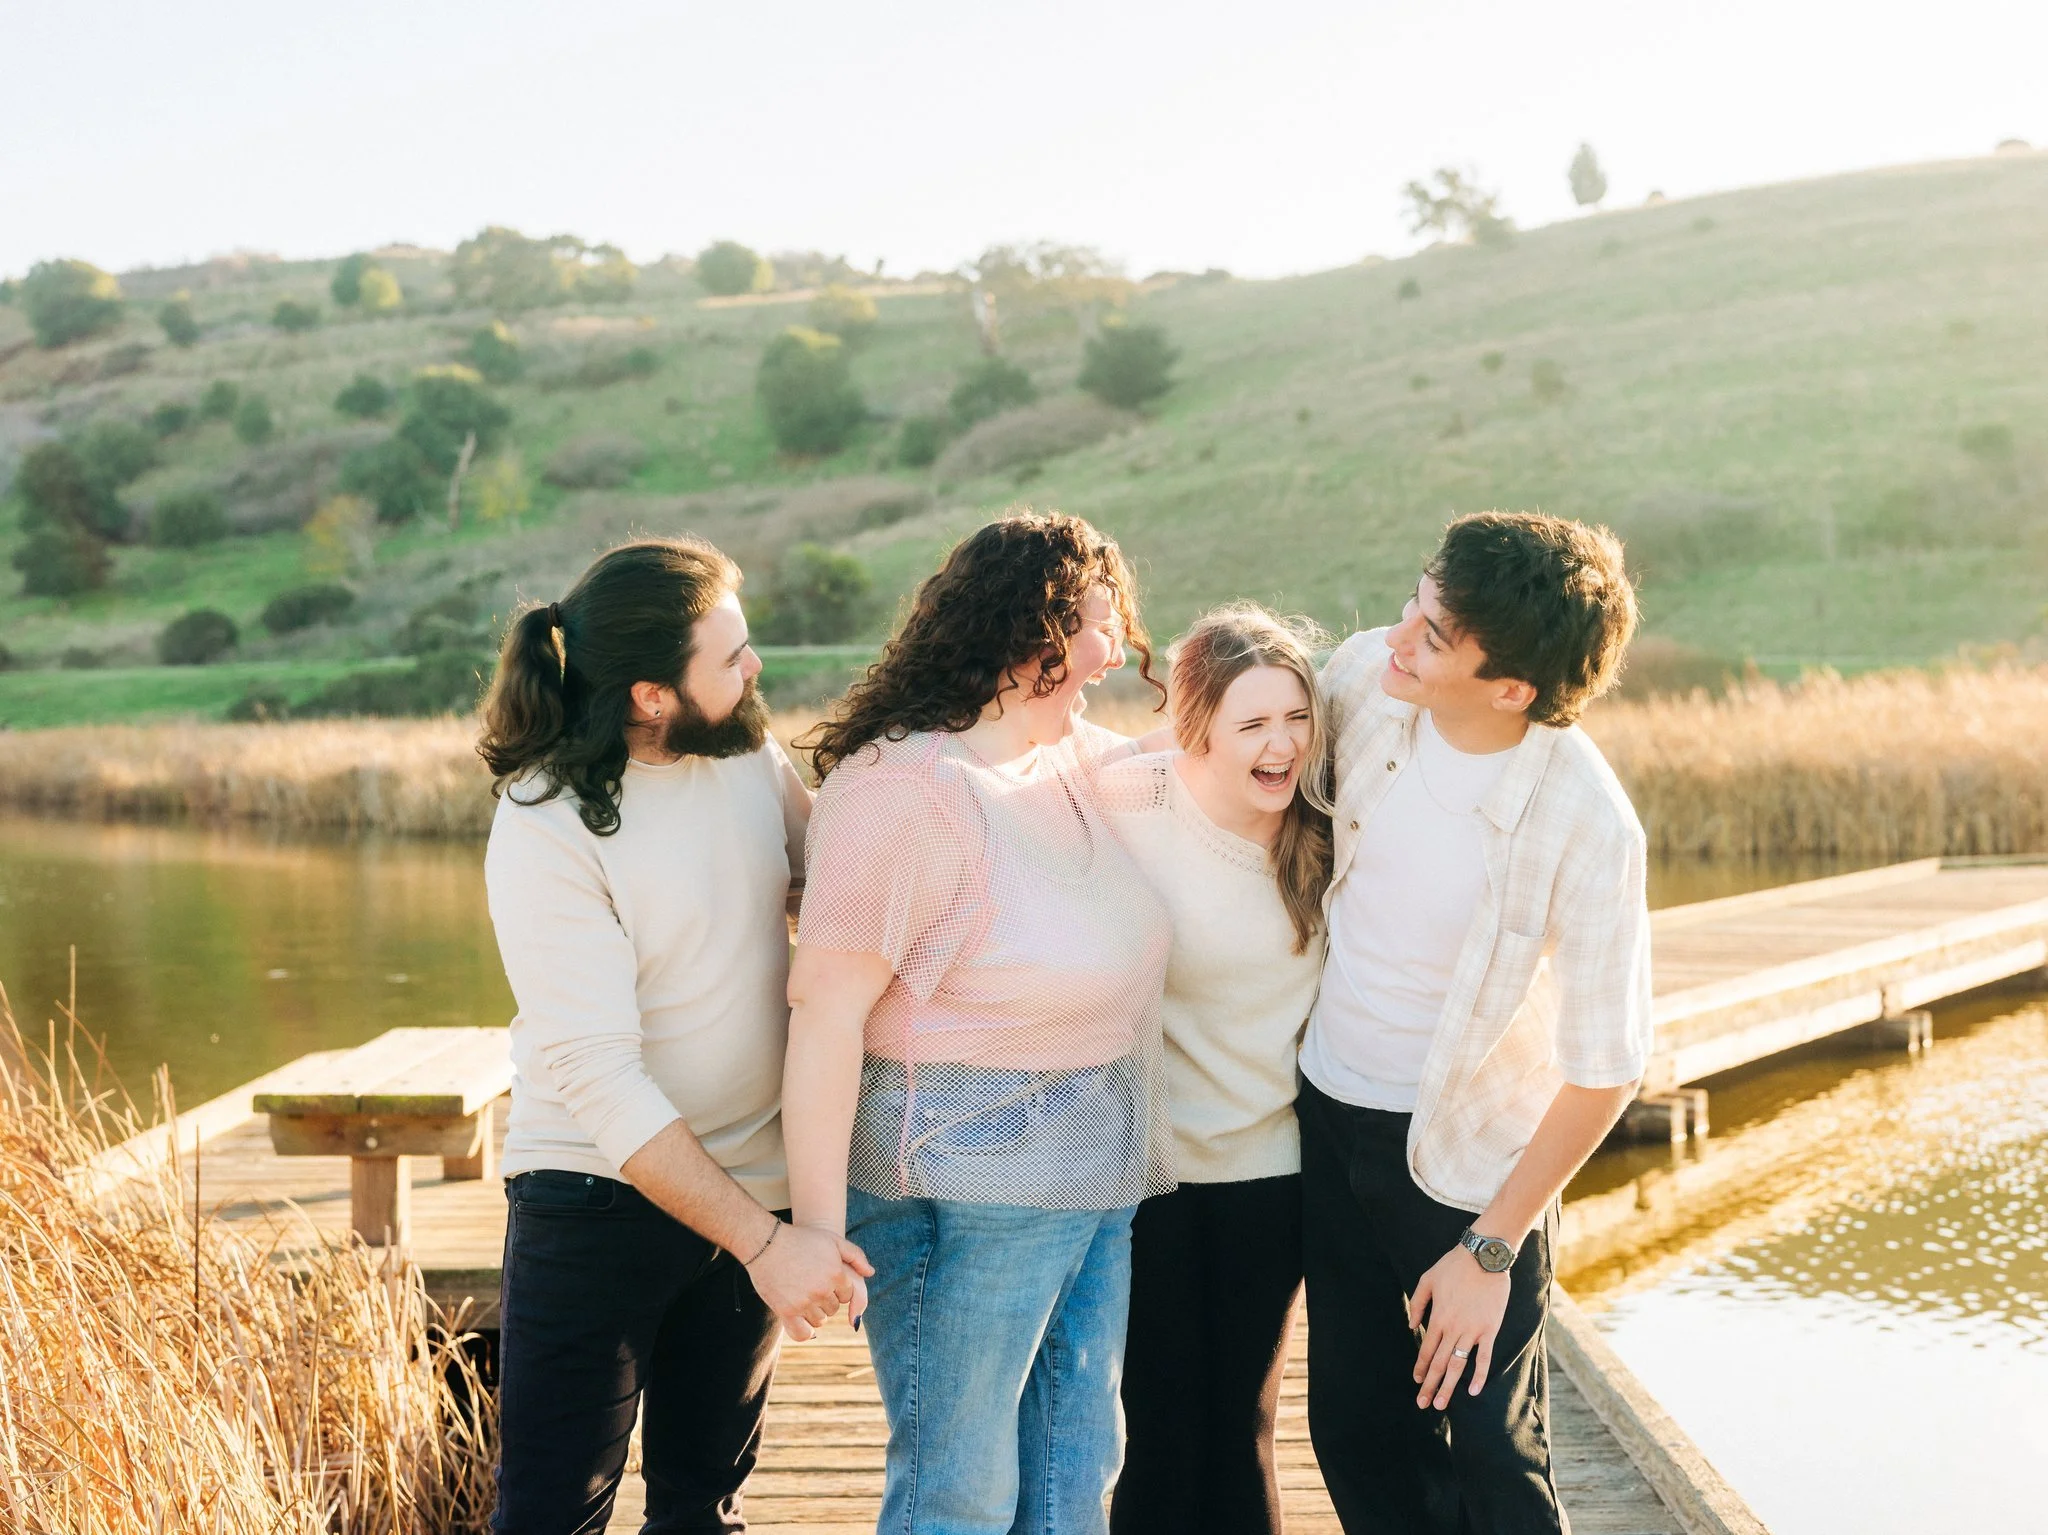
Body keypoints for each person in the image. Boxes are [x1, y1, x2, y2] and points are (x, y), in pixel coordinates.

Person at [782, 510, 1175, 1535]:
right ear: (1023, 635)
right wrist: (815, 1228)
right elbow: (822, 1012)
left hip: (1092, 1163)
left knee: (1072, 1468)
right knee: (959, 1489)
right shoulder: (907, 793)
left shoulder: (1063, 754)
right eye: (1095, 625)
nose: (1115, 649)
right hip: (959, 1174)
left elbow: (1210, 764)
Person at [476, 536, 872, 1535]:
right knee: (550, 1516)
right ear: (650, 695)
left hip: (756, 1183)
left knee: (703, 1508)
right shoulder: (544, 822)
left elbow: (836, 879)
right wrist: (763, 1244)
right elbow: (600, 1079)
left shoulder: (744, 754)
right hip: (594, 1198)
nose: (755, 669)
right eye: (731, 656)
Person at [1298, 511, 1651, 1535]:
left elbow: (1603, 1066)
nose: (1399, 631)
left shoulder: (1586, 820)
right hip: (1328, 1113)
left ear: (1510, 689)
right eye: (1417, 598)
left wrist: (1488, 1250)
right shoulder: (1371, 679)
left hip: (1468, 1162)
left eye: (1434, 633)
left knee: (1494, 1459)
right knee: (1358, 1435)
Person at [1098, 605, 1335, 1535]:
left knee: (1242, 1421)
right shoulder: (1135, 798)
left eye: (1296, 718)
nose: (1281, 745)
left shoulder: (1325, 824)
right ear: (1196, 729)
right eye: (1252, 723)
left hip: (1268, 1175)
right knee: (1156, 1422)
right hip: (1141, 1173)